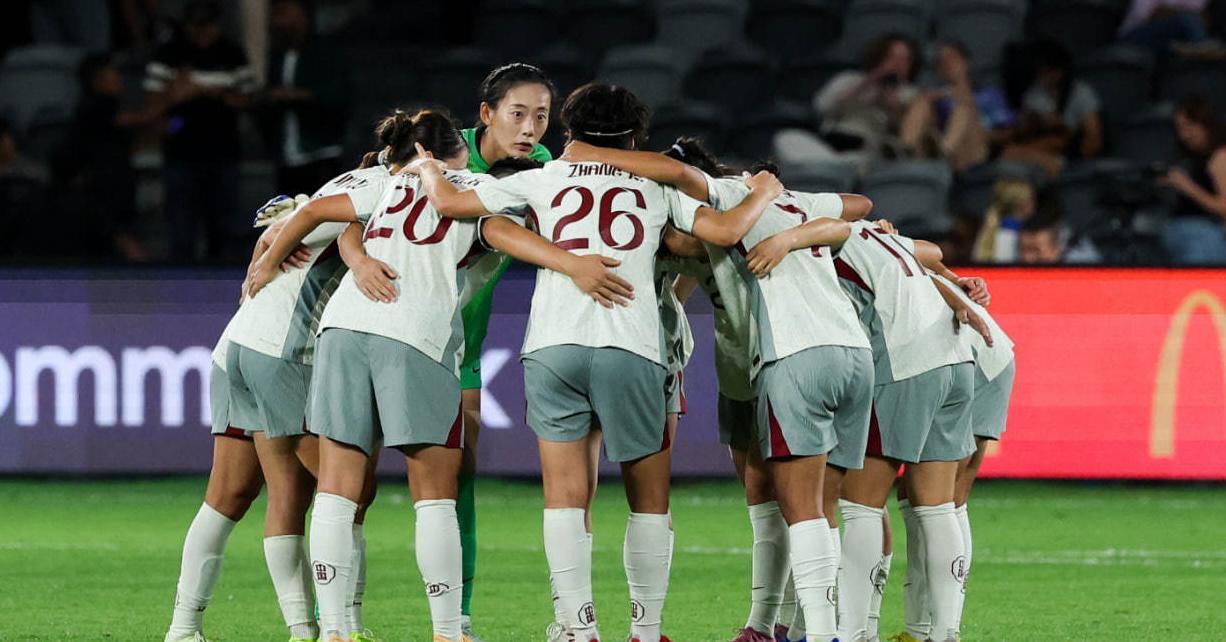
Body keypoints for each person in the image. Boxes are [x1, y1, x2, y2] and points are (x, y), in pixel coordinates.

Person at [410, 83, 784, 642]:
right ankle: (646, 630)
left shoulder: (543, 177)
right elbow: (719, 234)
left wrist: (427, 168)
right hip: (632, 345)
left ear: (569, 130)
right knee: (648, 499)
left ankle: (578, 628)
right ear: (634, 137)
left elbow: (453, 205)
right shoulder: (657, 183)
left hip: (553, 346)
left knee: (564, 498)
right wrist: (761, 191)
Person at [247, 109, 627, 642]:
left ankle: (333, 630)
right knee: (435, 495)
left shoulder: (385, 182)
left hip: (342, 330)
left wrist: (270, 261)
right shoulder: (473, 188)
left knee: (336, 490)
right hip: (415, 334)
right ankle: (448, 631)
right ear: (454, 155)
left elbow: (323, 215)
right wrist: (572, 263)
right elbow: (499, 231)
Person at [560, 138, 878, 642]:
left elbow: (684, 217)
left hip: (786, 357)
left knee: (803, 506)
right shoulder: (742, 209)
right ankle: (774, 624)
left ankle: (813, 630)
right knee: (781, 500)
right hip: (770, 365)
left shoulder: (725, 202)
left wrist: (596, 157)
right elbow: (855, 210)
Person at [164, 110, 410, 642]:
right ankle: (341, 626)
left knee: (235, 494)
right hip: (284, 351)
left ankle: (187, 628)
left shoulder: (346, 180)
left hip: (239, 342)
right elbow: (323, 229)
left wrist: (262, 264)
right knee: (346, 490)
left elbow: (277, 228)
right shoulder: (385, 193)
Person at [827, 221, 991, 642]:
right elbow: (931, 251)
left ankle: (853, 633)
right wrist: (955, 284)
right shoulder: (872, 234)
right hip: (955, 358)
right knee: (937, 506)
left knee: (860, 505)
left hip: (903, 364)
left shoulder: (818, 241)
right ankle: (945, 632)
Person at [145, 0, 255, 261]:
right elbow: (151, 106)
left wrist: (207, 91)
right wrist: (177, 96)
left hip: (223, 149)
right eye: (196, 25)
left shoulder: (231, 54)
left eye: (207, 25)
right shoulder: (168, 54)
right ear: (187, 25)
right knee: (181, 230)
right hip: (180, 149)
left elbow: (249, 100)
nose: (202, 31)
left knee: (223, 229)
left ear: (216, 25)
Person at [69, 53, 162, 261]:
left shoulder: (112, 106)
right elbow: (142, 120)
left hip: (120, 189)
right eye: (113, 73)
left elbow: (154, 131)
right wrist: (172, 98)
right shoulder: (93, 109)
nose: (119, 78)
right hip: (100, 195)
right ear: (97, 79)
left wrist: (178, 122)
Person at [259, 0, 350, 196]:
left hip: (321, 154)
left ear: (302, 15)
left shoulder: (325, 52)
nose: (277, 21)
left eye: (283, 13)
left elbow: (337, 94)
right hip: (287, 156)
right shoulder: (278, 55)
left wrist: (295, 95)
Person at [900, 41, 1013, 171]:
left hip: (977, 150)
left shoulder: (990, 94)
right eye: (941, 62)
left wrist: (984, 134)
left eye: (952, 58)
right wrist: (928, 98)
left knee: (963, 108)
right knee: (921, 103)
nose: (947, 64)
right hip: (945, 152)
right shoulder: (939, 99)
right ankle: (905, 151)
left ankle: (943, 153)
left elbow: (1006, 133)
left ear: (966, 62)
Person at [1000, 40, 1103, 176]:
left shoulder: (1081, 93)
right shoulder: (1034, 94)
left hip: (1070, 155)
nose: (1046, 76)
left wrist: (1064, 129)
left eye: (1049, 70)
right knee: (1009, 155)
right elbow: (1022, 131)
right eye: (1041, 71)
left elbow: (1094, 138)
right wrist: (1033, 122)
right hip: (1039, 150)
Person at [815, 33, 921, 160]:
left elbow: (908, 134)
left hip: (872, 150)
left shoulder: (912, 94)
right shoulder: (848, 79)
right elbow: (822, 108)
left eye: (904, 60)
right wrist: (867, 83)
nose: (897, 64)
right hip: (834, 142)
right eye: (891, 57)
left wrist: (891, 104)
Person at [1161, 95, 1226, 264]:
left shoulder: (1220, 156)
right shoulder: (1190, 158)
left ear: (1206, 124)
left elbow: (1224, 207)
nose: (1184, 135)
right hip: (1180, 229)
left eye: (1190, 126)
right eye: (1180, 128)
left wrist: (1187, 186)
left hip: (1206, 232)